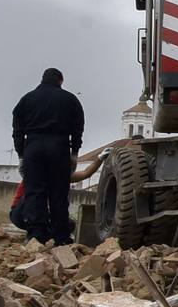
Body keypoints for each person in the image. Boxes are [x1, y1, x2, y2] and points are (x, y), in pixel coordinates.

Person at [11, 68, 85, 244]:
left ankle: (36, 234)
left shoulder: (27, 99)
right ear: (61, 81)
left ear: (42, 79)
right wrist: (74, 152)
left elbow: (17, 130)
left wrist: (21, 154)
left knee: (34, 191)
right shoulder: (70, 100)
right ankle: (61, 236)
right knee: (59, 191)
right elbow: (78, 129)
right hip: (59, 147)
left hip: (33, 146)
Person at [9, 150, 107, 235]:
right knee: (34, 199)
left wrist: (100, 158)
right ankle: (36, 233)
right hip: (20, 213)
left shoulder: (60, 177)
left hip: (39, 215)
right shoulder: (37, 173)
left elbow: (85, 173)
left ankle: (45, 236)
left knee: (68, 225)